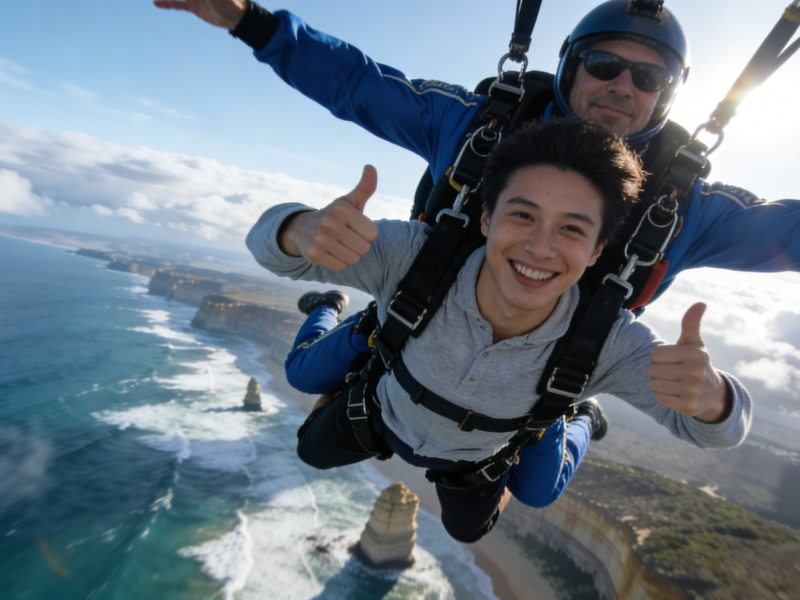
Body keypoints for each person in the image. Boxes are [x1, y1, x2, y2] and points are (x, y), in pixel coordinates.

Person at [154, 0, 799, 507]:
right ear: (573, 65)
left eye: (648, 76)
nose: (622, 85)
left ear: (667, 93)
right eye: (604, 64)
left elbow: (787, 236)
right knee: (301, 378)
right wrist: (250, 21)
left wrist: (710, 397)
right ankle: (331, 310)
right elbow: (359, 85)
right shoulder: (477, 128)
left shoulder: (686, 208)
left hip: (553, 374)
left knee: (538, 489)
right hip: (413, 316)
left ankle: (580, 414)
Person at [245, 119, 752, 543]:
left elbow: (710, 430)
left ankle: (579, 416)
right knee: (309, 446)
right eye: (522, 215)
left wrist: (714, 399)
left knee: (479, 524)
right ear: (486, 218)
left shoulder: (606, 343)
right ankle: (341, 318)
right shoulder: (414, 258)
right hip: (384, 412)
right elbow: (270, 247)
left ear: (598, 252)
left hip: (478, 456)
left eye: (572, 229)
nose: (539, 247)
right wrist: (298, 229)